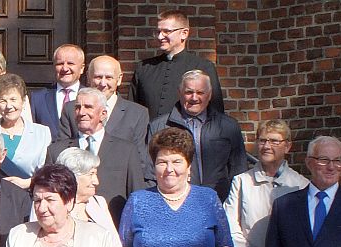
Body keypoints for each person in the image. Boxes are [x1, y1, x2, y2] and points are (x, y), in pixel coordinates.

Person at [48, 87, 146, 226]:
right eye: (77, 107)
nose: (81, 112)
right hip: (67, 228)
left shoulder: (126, 151)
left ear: (103, 114)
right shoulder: (57, 151)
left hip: (113, 227)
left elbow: (137, 197)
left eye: (88, 107)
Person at [147, 70, 246, 202]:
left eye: (200, 93)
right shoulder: (159, 126)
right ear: (179, 93)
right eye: (189, 92)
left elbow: (239, 170)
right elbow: (150, 171)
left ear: (209, 95)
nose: (194, 98)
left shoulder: (228, 126)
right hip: (174, 201)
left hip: (219, 200)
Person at [61, 55, 149, 173]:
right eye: (98, 77)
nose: (103, 83)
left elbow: (140, 159)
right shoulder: (71, 108)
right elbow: (63, 149)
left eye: (108, 77)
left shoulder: (137, 113)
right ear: (88, 77)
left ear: (119, 79)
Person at [130, 9, 224, 119]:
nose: (160, 37)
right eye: (158, 32)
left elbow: (216, 112)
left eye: (166, 31)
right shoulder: (144, 68)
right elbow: (132, 111)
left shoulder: (203, 67)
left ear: (184, 33)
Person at [0, 74, 51, 186]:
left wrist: (29, 183)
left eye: (13, 99)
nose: (9, 106)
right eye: (3, 101)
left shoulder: (42, 133)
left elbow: (47, 172)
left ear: (23, 101)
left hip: (28, 193)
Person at [30, 44, 85, 140]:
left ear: (82, 68)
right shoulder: (38, 98)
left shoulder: (92, 97)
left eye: (70, 63)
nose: (65, 68)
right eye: (60, 64)